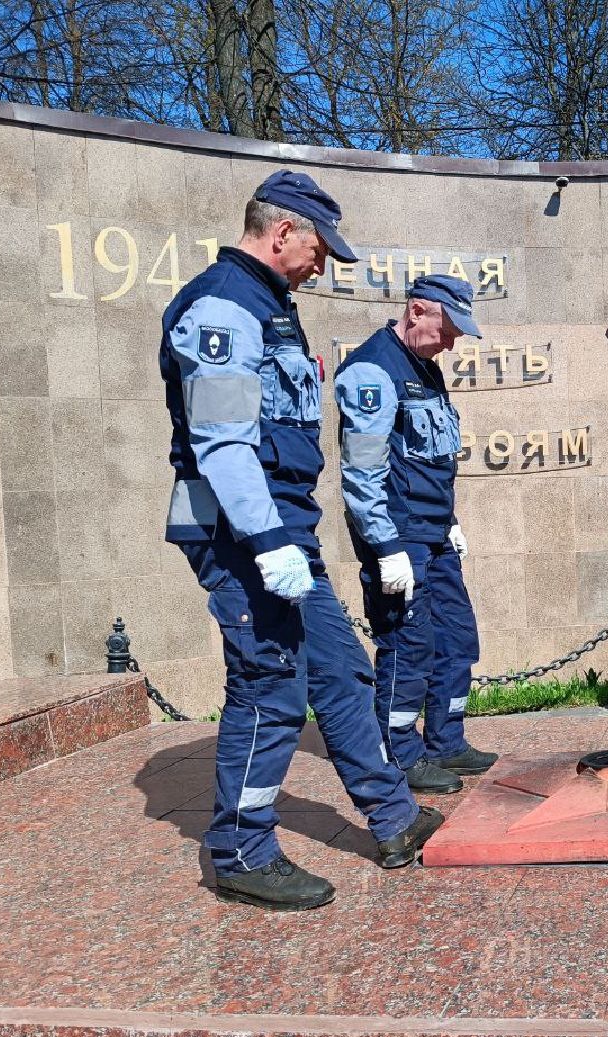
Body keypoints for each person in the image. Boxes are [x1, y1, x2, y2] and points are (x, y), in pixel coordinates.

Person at [160, 170, 438, 911]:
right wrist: (268, 539)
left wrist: (287, 539)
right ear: (281, 232)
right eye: (319, 250)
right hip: (240, 533)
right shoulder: (224, 304)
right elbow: (220, 442)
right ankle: (241, 848)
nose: (324, 267)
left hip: (283, 535)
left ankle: (395, 817)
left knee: (342, 672)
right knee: (268, 686)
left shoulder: (270, 306)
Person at [334, 275, 496, 793]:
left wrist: (450, 521)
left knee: (455, 636)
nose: (451, 342)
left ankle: (446, 742)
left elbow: (428, 461)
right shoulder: (372, 369)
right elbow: (362, 472)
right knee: (408, 645)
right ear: (418, 310)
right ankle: (401, 755)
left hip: (434, 534)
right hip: (399, 538)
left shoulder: (424, 370)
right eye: (448, 328)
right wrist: (384, 548)